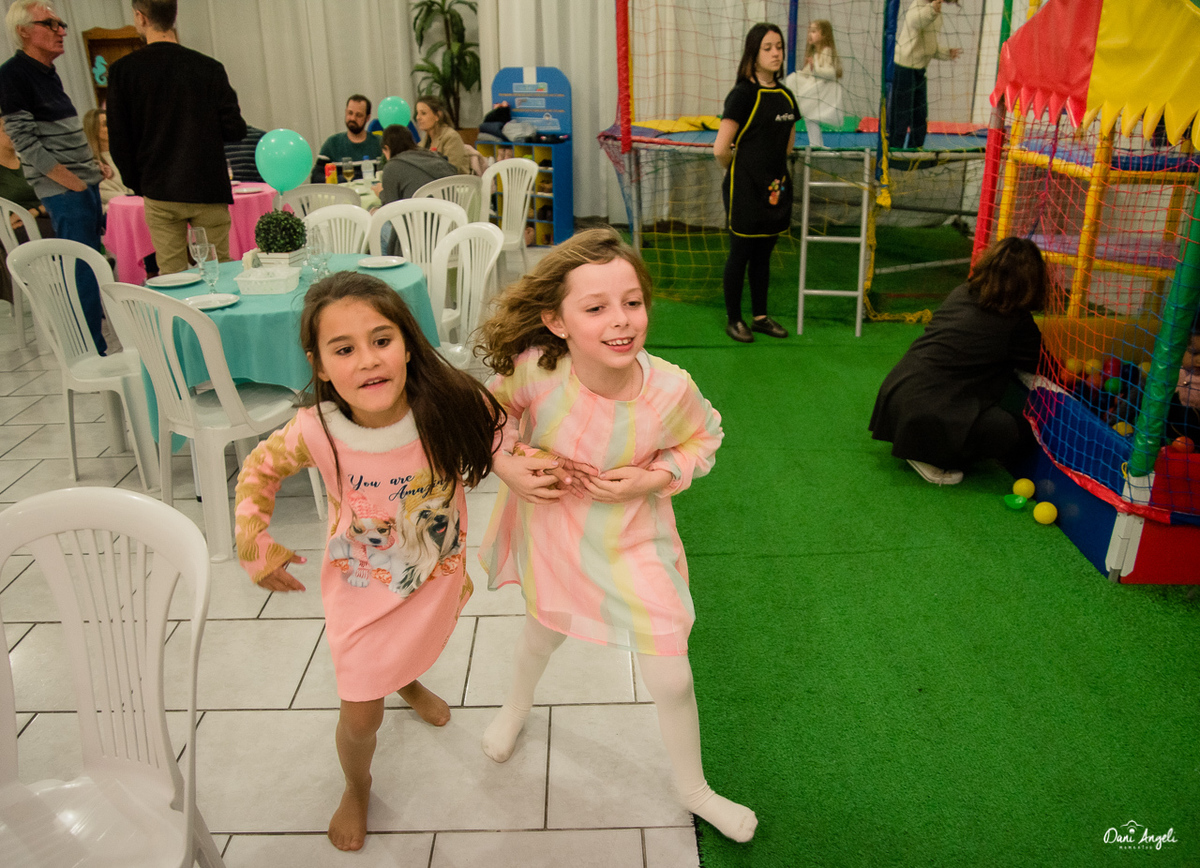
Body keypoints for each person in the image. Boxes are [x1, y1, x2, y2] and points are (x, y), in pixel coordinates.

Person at [474, 227, 758, 843]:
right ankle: (516, 707)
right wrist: (506, 463)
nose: (621, 320)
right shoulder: (537, 371)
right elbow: (491, 416)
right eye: (596, 308)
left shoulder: (670, 389)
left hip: (634, 542)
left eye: (632, 302)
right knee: (542, 634)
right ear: (556, 322)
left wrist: (655, 476)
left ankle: (693, 788)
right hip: (555, 535)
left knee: (672, 675)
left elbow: (705, 437)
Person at [233, 271, 504, 851]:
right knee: (360, 718)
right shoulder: (316, 431)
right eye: (344, 349)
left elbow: (506, 429)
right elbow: (257, 470)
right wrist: (253, 540)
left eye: (382, 340)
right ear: (320, 365)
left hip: (428, 579)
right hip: (360, 590)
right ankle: (357, 785)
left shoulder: (447, 403)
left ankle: (405, 679)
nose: (368, 360)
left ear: (407, 343)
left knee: (406, 650)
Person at [869, 236, 1047, 485]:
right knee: (1016, 432)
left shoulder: (962, 292)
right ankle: (928, 454)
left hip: (897, 394)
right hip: (927, 411)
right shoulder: (1017, 322)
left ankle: (919, 442)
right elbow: (1044, 366)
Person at [106, 0, 247, 273]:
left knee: (173, 275)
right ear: (173, 16)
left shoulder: (124, 71)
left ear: (140, 17)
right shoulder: (209, 68)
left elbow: (119, 140)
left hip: (160, 188)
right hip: (208, 186)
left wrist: (140, 185)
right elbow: (235, 129)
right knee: (219, 270)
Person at [0, 0, 109, 352]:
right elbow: (26, 144)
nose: (61, 30)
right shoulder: (13, 74)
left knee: (91, 265)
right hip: (65, 190)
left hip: (81, 183)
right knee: (81, 269)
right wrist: (72, 181)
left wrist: (91, 167)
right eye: (50, 24)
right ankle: (88, 352)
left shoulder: (47, 72)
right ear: (23, 31)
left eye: (61, 23)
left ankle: (93, 344)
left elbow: (59, 135)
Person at [713, 22, 796, 344]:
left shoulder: (787, 96)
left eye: (779, 47)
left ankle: (760, 317)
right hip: (744, 189)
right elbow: (721, 149)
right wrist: (743, 172)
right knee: (741, 252)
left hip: (775, 188)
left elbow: (787, 146)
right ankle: (734, 319)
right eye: (768, 48)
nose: (776, 53)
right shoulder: (742, 95)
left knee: (764, 253)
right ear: (753, 53)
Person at [887, 0, 962, 150]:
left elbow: (929, 45)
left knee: (920, 116)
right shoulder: (918, 6)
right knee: (901, 116)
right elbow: (916, 21)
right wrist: (932, 10)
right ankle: (894, 150)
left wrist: (946, 53)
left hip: (919, 69)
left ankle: (915, 150)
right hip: (904, 68)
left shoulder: (936, 12)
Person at [784, 19, 844, 148]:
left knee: (811, 114)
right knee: (810, 115)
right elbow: (808, 73)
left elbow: (832, 73)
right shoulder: (815, 54)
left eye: (814, 31)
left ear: (824, 35)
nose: (810, 34)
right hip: (817, 88)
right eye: (809, 31)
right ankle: (816, 144)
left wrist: (814, 69)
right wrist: (803, 72)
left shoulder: (827, 51)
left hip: (825, 90)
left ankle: (816, 143)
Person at [373, 124, 457, 205]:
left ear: (387, 148)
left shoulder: (392, 166)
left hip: (417, 213)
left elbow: (391, 206)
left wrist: (381, 193)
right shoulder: (434, 156)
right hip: (452, 211)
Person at [316, 94, 384, 178]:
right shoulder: (332, 144)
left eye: (358, 115)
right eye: (350, 113)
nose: (353, 118)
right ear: (345, 112)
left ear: (367, 118)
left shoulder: (380, 143)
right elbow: (316, 177)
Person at [81, 108, 132, 209]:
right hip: (114, 209)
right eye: (106, 124)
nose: (112, 127)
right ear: (94, 130)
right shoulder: (92, 164)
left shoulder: (125, 155)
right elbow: (101, 193)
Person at [414, 95, 470, 175]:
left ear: (437, 116)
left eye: (423, 113)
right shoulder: (421, 144)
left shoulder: (451, 137)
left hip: (454, 181)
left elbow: (450, 170)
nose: (418, 117)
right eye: (417, 113)